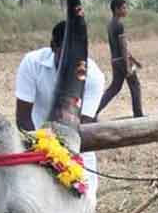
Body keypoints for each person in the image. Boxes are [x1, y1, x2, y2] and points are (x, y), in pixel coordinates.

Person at [15, 21, 106, 192]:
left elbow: (82, 126)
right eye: (66, 54)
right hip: (35, 146)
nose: (73, 62)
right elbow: (23, 118)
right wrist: (41, 152)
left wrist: (62, 159)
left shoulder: (93, 76)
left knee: (82, 202)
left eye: (78, 55)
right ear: (53, 46)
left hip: (76, 149)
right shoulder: (32, 63)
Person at [97, 0, 143, 118]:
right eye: (123, 8)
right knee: (135, 85)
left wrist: (134, 60)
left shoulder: (111, 24)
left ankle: (93, 112)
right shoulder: (119, 25)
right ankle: (138, 114)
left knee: (114, 88)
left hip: (115, 60)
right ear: (116, 9)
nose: (125, 10)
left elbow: (119, 47)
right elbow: (123, 46)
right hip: (122, 61)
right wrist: (128, 65)